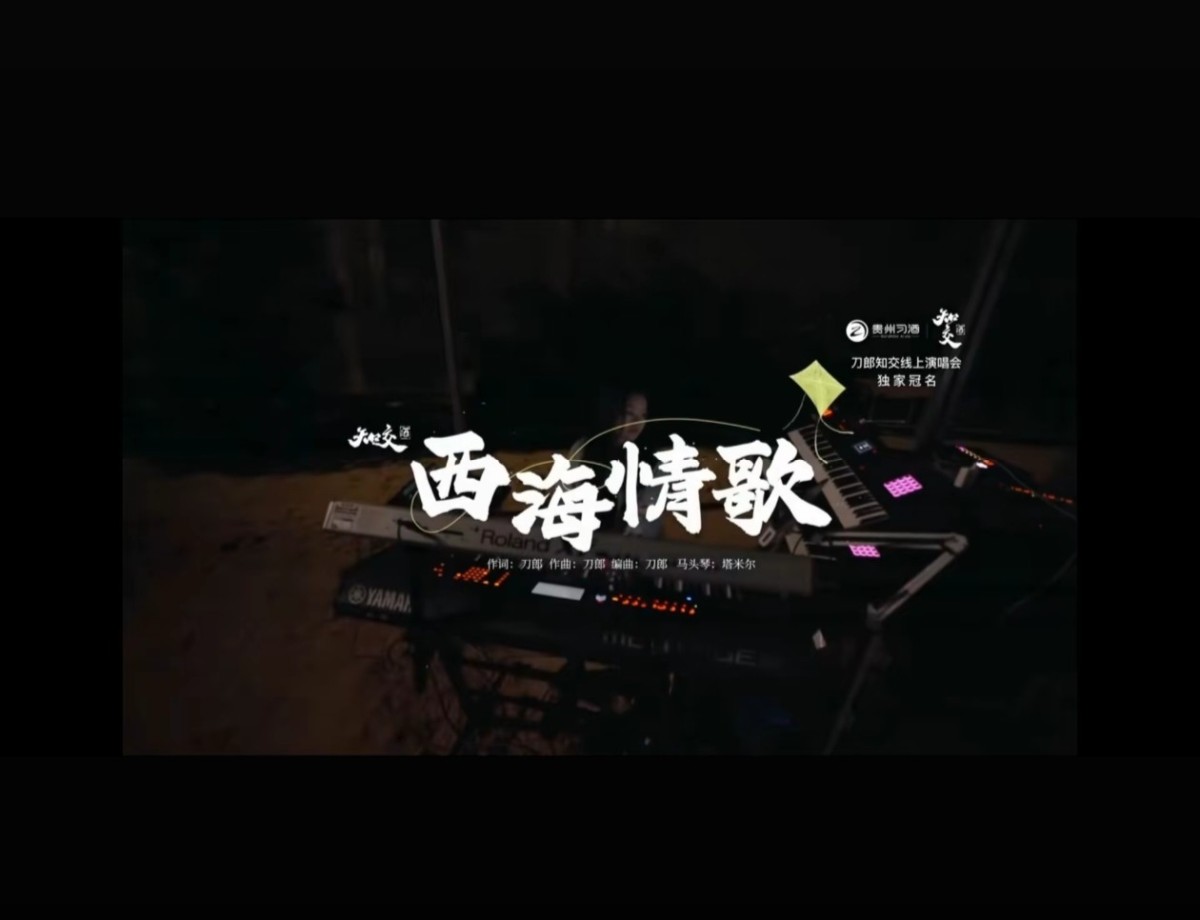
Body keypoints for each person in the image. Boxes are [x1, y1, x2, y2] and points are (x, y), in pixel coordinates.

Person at [567, 390, 659, 536]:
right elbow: (567, 500)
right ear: (612, 412)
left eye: (643, 415)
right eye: (629, 413)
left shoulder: (646, 459)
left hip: (625, 542)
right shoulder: (586, 448)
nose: (637, 422)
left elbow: (647, 513)